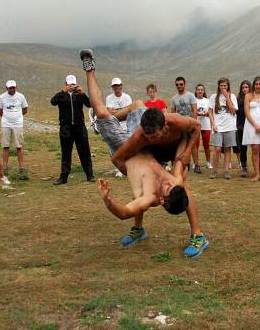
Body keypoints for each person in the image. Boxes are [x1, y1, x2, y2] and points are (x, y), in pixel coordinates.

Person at [80, 49, 209, 258]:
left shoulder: (151, 194)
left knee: (165, 188)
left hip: (133, 158)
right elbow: (118, 159)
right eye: (171, 186)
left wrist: (185, 155)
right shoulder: (142, 137)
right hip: (130, 150)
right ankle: (92, 76)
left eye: (168, 190)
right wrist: (136, 167)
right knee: (128, 106)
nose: (170, 184)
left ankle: (198, 235)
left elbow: (124, 211)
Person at [50, 75, 95, 185]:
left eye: (73, 84)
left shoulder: (79, 95)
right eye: (69, 84)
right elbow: (53, 102)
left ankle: (90, 175)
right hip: (66, 128)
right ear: (66, 84)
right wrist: (62, 91)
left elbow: (89, 104)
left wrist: (82, 93)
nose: (71, 86)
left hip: (80, 127)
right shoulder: (62, 95)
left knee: (84, 151)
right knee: (66, 152)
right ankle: (64, 177)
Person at [208, 77, 238, 180]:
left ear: (228, 86)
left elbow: (233, 110)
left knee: (227, 149)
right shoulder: (213, 97)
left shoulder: (232, 96)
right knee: (217, 149)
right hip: (218, 127)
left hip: (229, 126)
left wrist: (227, 97)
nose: (223, 87)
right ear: (218, 86)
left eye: (225, 85)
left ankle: (226, 171)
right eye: (221, 86)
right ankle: (214, 170)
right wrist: (213, 124)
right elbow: (210, 112)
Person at [0, 80, 28, 175]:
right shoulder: (2, 97)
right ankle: (4, 167)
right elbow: (0, 110)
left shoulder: (21, 96)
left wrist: (17, 116)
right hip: (6, 124)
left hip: (18, 124)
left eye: (13, 87)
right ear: (7, 88)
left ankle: (21, 167)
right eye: (10, 88)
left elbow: (25, 109)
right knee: (6, 146)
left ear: (16, 87)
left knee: (19, 146)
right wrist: (6, 118)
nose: (12, 89)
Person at [106, 77, 132, 177]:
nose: (117, 87)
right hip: (114, 126)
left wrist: (115, 111)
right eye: (115, 86)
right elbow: (109, 112)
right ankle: (117, 168)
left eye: (118, 85)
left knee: (127, 147)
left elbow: (130, 111)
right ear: (112, 87)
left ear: (121, 86)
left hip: (126, 126)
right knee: (115, 148)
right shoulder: (109, 98)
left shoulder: (127, 97)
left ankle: (127, 167)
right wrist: (123, 111)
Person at [170, 77, 198, 168]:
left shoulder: (190, 96)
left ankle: (196, 164)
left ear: (184, 84)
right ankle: (185, 163)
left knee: (192, 145)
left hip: (190, 123)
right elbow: (173, 113)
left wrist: (194, 123)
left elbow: (194, 110)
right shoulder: (174, 98)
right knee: (182, 143)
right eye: (177, 85)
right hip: (180, 125)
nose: (179, 86)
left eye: (181, 84)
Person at [193, 83, 212, 173]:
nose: (200, 91)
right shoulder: (193, 100)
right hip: (196, 125)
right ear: (196, 91)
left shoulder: (207, 101)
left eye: (201, 90)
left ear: (204, 91)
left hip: (206, 125)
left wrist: (206, 113)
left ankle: (208, 162)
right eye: (198, 90)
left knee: (206, 144)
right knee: (195, 144)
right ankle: (195, 163)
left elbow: (210, 112)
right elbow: (192, 111)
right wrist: (196, 113)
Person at [235, 80, 252, 177]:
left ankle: (259, 166)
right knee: (243, 148)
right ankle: (244, 167)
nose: (245, 89)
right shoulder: (238, 99)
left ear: (250, 88)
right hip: (241, 126)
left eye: (246, 87)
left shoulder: (253, 98)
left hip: (252, 125)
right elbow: (236, 112)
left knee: (255, 147)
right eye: (243, 87)